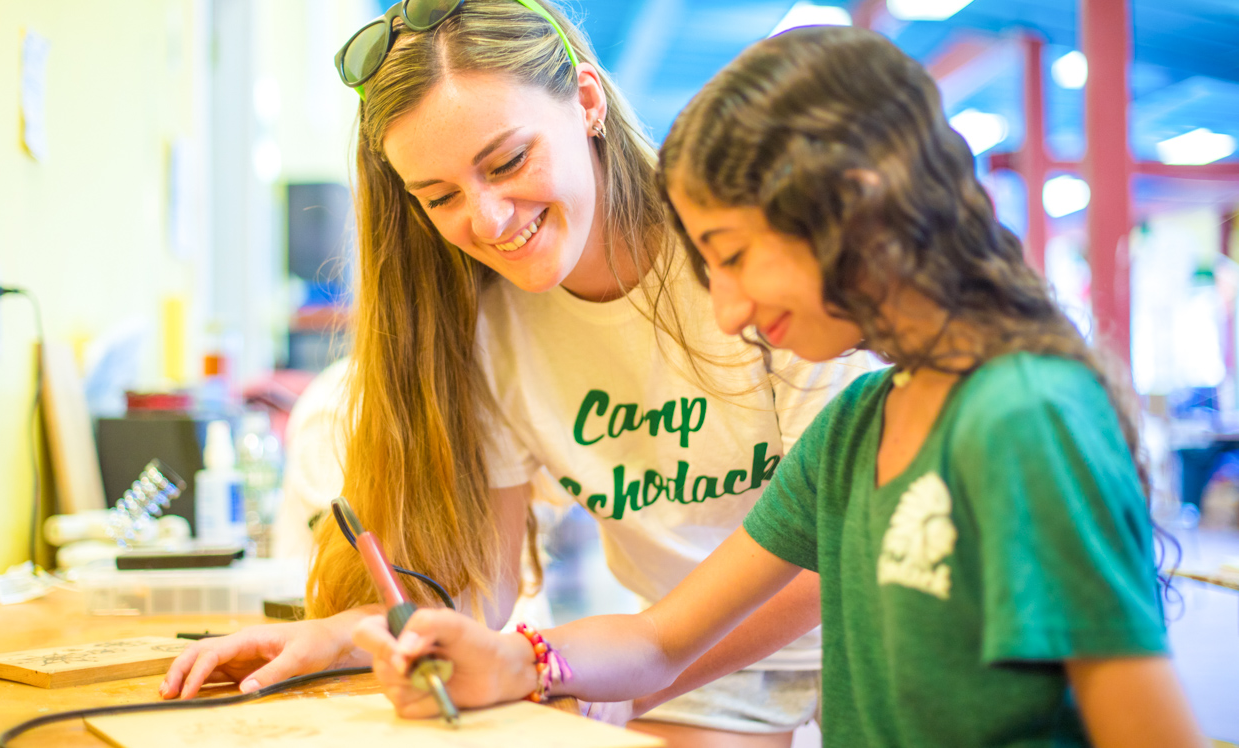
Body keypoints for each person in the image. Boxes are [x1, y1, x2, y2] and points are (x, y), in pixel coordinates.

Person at [353, 26, 1209, 747]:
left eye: (730, 258)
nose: (724, 312)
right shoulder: (853, 434)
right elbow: (660, 640)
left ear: (854, 207)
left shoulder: (1025, 420)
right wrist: (517, 659)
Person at [160, 1, 871, 743]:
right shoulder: (492, 329)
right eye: (440, 197)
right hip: (670, 657)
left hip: (833, 619)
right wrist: (339, 637)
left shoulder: (741, 252)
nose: (490, 220)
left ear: (587, 102)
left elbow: (837, 554)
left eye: (507, 162)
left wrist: (613, 676)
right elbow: (483, 593)